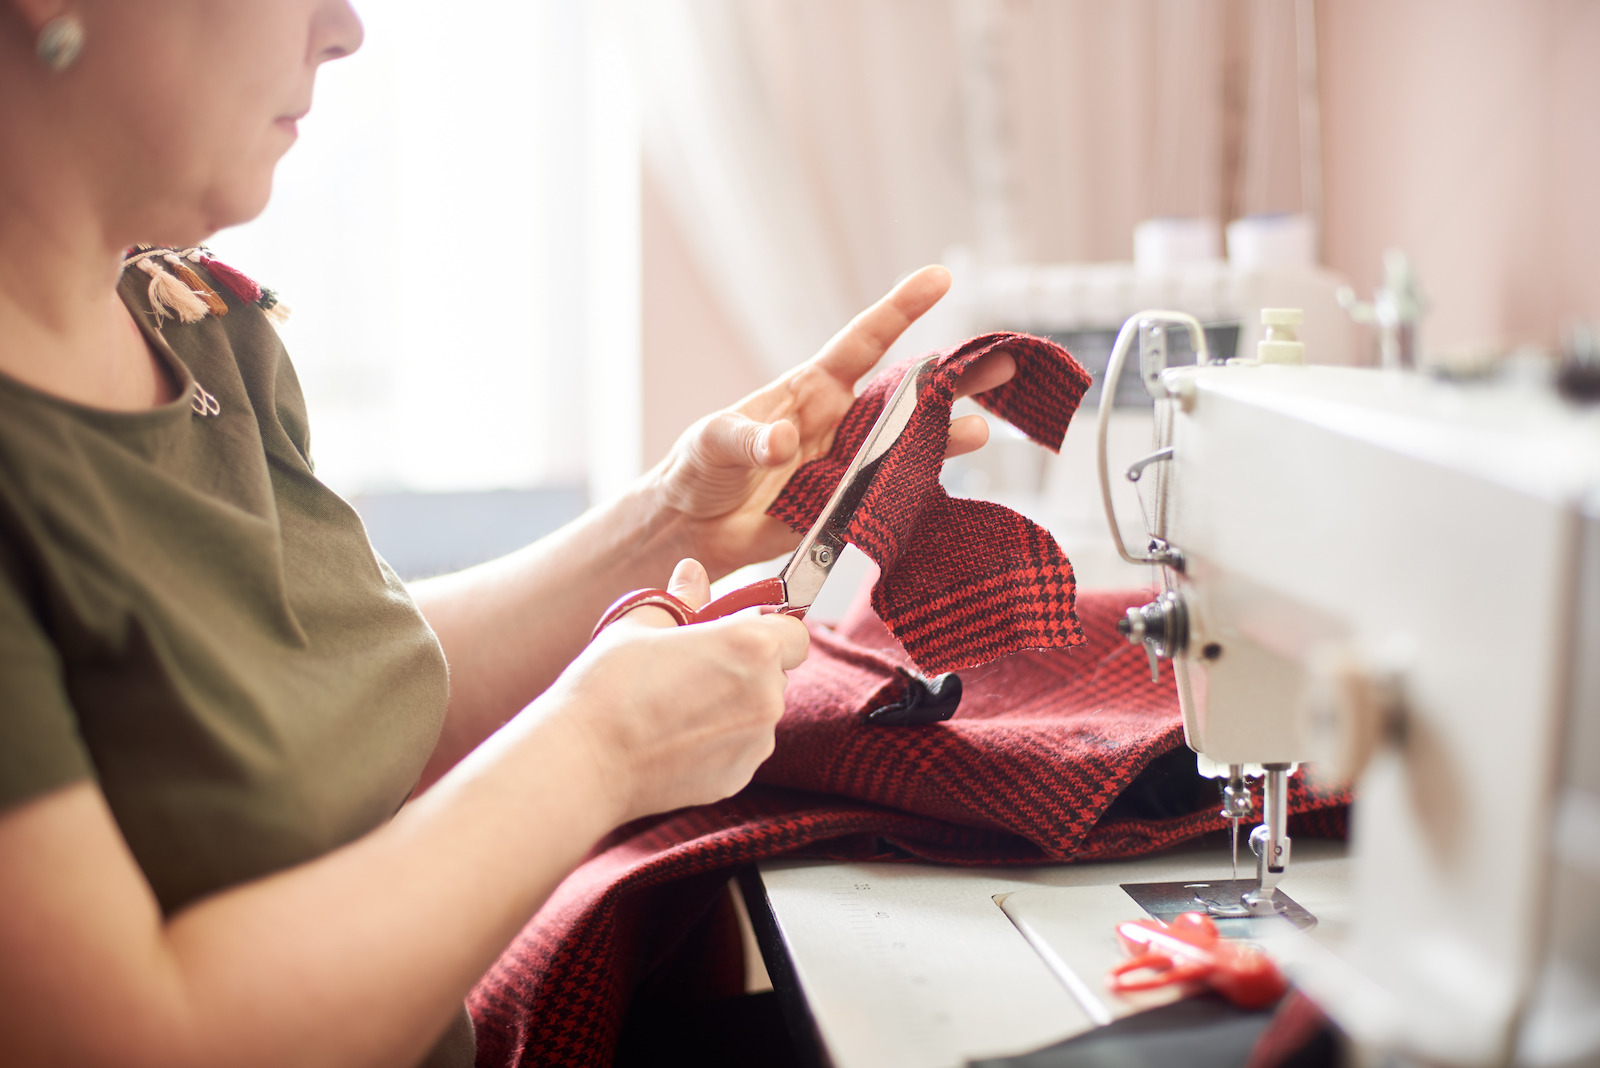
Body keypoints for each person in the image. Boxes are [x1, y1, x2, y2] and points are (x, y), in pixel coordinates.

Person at [0, 2, 1018, 1065]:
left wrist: (671, 521)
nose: (343, 30)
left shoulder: (197, 324)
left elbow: (340, 706)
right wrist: (596, 749)